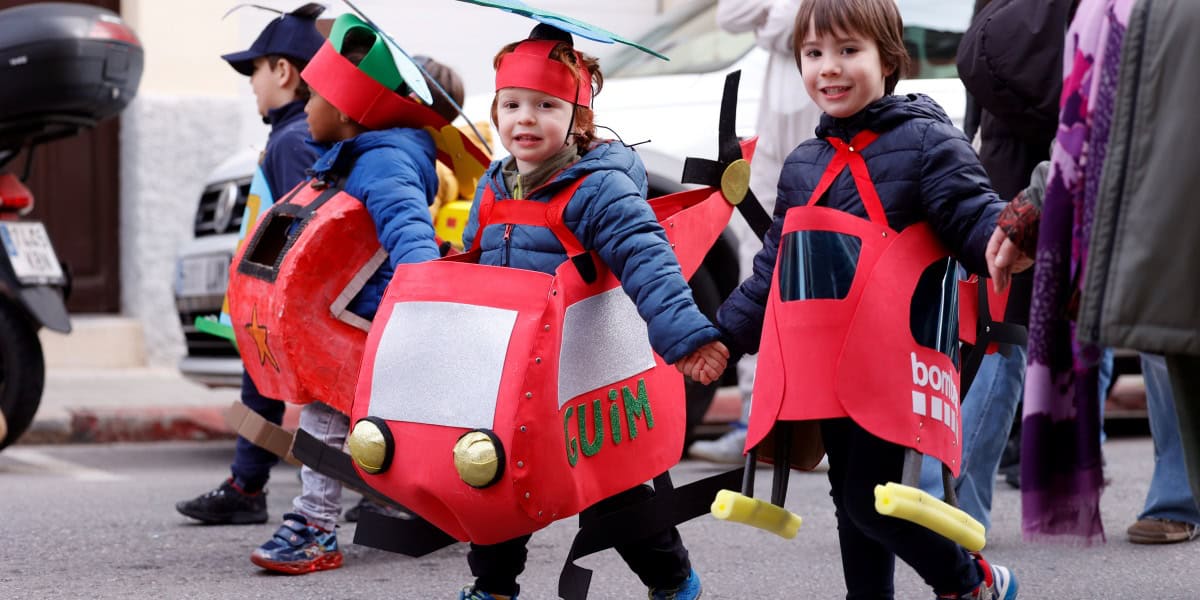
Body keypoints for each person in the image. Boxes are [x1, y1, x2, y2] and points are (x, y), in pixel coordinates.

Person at [716, 0, 1027, 597]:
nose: (828, 68)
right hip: (828, 367)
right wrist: (724, 338)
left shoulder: (927, 142)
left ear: (888, 60)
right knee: (850, 502)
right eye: (813, 54)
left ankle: (971, 582)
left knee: (870, 501)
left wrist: (1009, 233)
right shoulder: (805, 163)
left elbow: (972, 215)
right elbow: (774, 269)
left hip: (896, 363)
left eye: (847, 51)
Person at [454, 23, 727, 600]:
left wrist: (687, 339)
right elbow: (474, 259)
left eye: (545, 105)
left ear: (578, 117)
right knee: (493, 474)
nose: (525, 119)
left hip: (588, 376)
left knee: (615, 490)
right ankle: (494, 587)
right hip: (511, 370)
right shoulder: (493, 184)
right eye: (512, 105)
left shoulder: (600, 189)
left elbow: (649, 259)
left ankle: (675, 583)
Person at [249, 14, 443, 574]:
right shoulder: (362, 155)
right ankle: (401, 503)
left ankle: (314, 527)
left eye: (311, 96)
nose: (303, 106)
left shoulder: (383, 163)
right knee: (353, 423)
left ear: (345, 112)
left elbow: (409, 231)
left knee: (326, 424)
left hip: (360, 320)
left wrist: (422, 299)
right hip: (347, 315)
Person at [914, 0, 1075, 530]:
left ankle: (958, 500)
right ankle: (960, 499)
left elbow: (984, 60)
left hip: (1029, 167)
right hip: (1015, 166)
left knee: (997, 337)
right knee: (998, 334)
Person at [175, 2, 324, 526]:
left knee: (267, 382)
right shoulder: (291, 133)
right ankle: (246, 484)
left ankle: (247, 486)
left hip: (279, 295)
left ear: (283, 71)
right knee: (258, 383)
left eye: (255, 72)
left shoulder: (294, 138)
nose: (252, 85)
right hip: (269, 292)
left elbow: (303, 225)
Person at [688, 0, 823, 465]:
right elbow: (732, 16)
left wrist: (778, 18)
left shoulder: (826, 62)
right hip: (772, 149)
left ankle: (817, 425)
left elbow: (794, 26)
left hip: (821, 138)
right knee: (758, 273)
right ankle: (754, 421)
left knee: (818, 282)